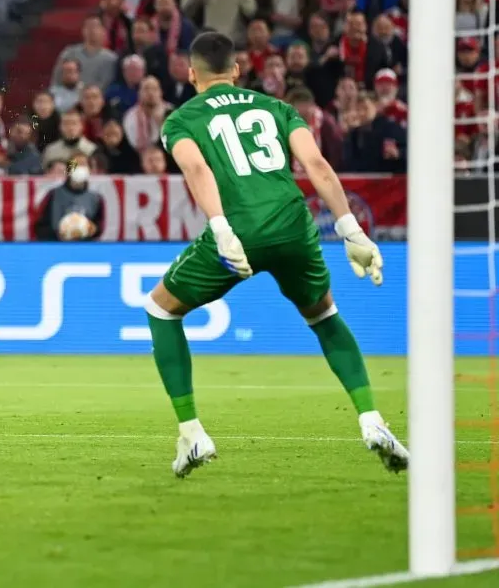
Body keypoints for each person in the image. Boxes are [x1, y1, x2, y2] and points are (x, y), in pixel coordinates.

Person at [150, 31, 407, 477]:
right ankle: (372, 420)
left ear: (191, 74)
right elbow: (317, 165)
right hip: (293, 226)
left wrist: (220, 227)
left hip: (239, 229)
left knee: (160, 309)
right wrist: (351, 229)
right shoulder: (278, 108)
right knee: (325, 316)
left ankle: (192, 433)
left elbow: (196, 168)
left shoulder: (181, 120)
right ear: (236, 70)